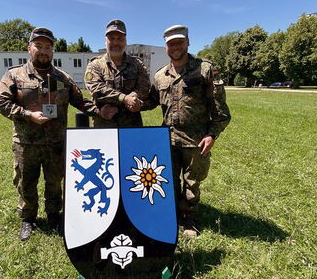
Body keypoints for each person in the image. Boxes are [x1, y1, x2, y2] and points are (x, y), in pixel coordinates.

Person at [0, 27, 101, 241]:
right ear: (29, 48)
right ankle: (28, 218)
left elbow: (80, 101)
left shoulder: (63, 78)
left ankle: (54, 216)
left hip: (56, 143)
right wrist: (27, 114)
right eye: (39, 46)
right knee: (26, 182)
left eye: (48, 47)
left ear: (53, 51)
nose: (43, 51)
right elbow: (2, 103)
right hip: (26, 143)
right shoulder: (14, 75)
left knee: (55, 182)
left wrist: (101, 111)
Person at [143, 25, 231, 236]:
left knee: (192, 183)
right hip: (168, 140)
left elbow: (220, 110)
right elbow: (151, 101)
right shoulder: (160, 76)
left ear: (188, 42)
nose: (175, 47)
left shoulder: (205, 69)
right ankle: (170, 217)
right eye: (171, 43)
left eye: (179, 42)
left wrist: (212, 135)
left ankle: (189, 220)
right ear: (166, 47)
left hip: (196, 140)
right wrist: (129, 102)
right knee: (167, 181)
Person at [84, 19, 151, 127]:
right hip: (104, 128)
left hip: (131, 127)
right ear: (105, 41)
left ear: (125, 41)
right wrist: (124, 99)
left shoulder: (137, 64)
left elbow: (144, 87)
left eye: (120, 38)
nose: (115, 42)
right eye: (112, 38)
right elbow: (96, 89)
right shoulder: (95, 65)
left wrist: (133, 98)